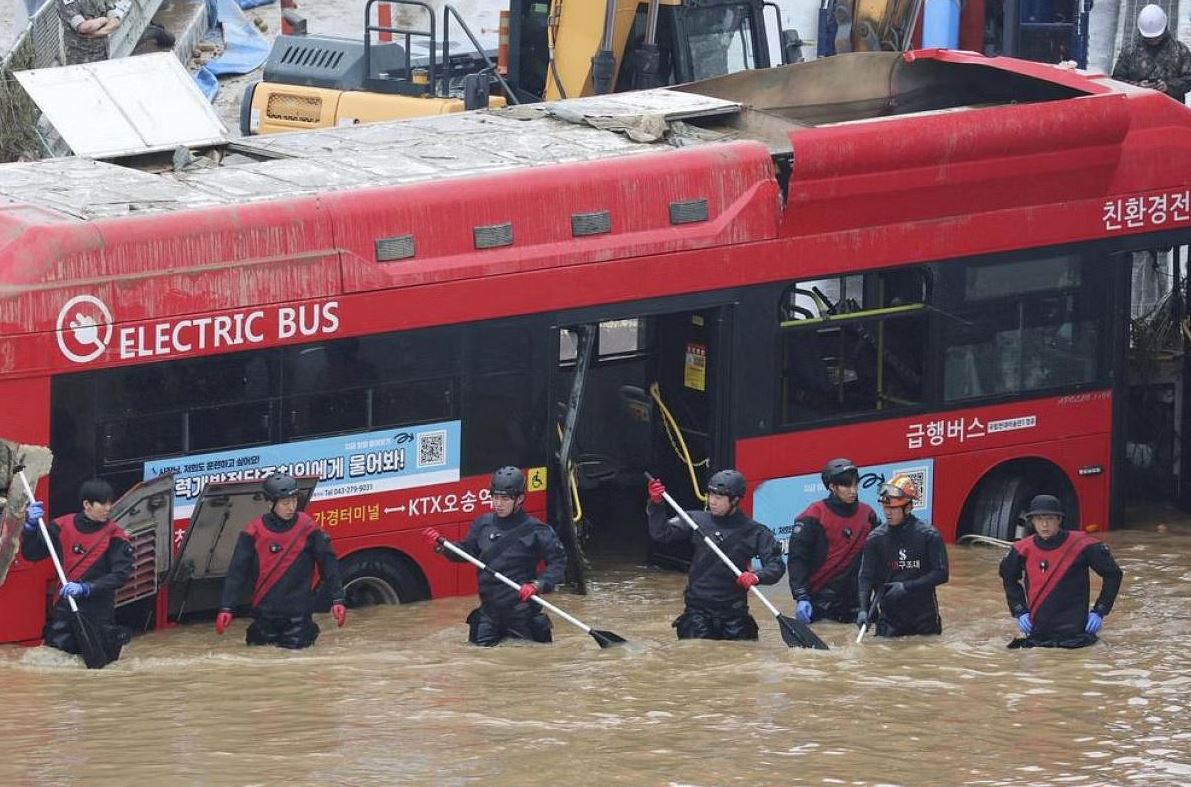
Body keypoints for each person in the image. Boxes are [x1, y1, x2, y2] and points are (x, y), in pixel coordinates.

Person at [424, 466, 567, 647]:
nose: (498, 503)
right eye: (495, 497)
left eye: (505, 498)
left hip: (521, 613)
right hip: (489, 613)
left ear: (520, 499)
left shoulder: (537, 531)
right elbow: (467, 552)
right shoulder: (482, 524)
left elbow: (558, 563)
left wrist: (538, 585)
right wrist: (444, 547)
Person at [646, 470, 785, 640]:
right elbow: (661, 533)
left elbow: (776, 566)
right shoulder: (695, 520)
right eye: (710, 495)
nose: (712, 501)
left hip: (734, 614)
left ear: (734, 500)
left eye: (719, 497)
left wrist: (756, 577)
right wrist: (656, 504)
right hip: (697, 613)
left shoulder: (756, 532)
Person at [216, 472, 347, 649]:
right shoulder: (253, 531)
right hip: (264, 616)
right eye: (285, 503)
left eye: (294, 501)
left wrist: (337, 598)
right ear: (270, 503)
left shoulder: (308, 527)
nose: (291, 507)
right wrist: (227, 607)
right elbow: (237, 572)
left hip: (298, 617)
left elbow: (328, 562)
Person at [20, 478, 133, 660]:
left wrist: (87, 588)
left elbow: (121, 575)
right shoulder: (61, 526)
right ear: (87, 504)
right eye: (102, 503)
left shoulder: (116, 536)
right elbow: (31, 554)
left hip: (98, 614)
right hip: (64, 611)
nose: (108, 508)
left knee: (100, 669)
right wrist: (30, 527)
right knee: (54, 661)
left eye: (109, 502)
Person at [999, 494, 1123, 649]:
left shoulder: (1083, 545)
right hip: (1038, 635)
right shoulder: (1021, 549)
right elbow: (1008, 578)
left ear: (1059, 520)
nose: (1044, 524)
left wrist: (1100, 610)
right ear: (1032, 521)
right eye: (1039, 519)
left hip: (1076, 635)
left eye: (1050, 518)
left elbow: (1113, 574)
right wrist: (1020, 611)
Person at [788, 458, 878, 624]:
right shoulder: (813, 515)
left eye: (855, 484)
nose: (853, 491)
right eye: (846, 485)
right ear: (832, 486)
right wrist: (801, 596)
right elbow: (797, 560)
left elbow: (879, 556)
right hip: (821, 601)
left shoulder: (868, 515)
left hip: (857, 601)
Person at [856, 474, 948, 637]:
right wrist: (863, 609)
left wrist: (906, 586)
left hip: (924, 619)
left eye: (893, 509)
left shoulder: (929, 535)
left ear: (908, 507)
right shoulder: (875, 539)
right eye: (885, 508)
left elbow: (941, 574)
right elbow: (866, 577)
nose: (888, 513)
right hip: (890, 619)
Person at [1111, 4, 1191, 104]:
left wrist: (1168, 86)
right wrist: (1137, 86)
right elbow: (1116, 81)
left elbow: (1189, 78)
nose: (1153, 41)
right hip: (1138, 108)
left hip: (1171, 110)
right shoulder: (1129, 51)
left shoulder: (1180, 51)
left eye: (1156, 37)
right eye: (1150, 38)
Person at [56, 0, 131, 65]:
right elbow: (84, 27)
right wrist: (103, 20)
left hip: (103, 55)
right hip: (80, 60)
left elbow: (115, 22)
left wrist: (97, 33)